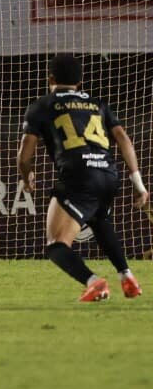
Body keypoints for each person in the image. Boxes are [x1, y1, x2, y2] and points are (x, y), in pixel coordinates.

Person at [17, 53, 147, 302]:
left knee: (56, 244)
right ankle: (127, 277)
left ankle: (94, 282)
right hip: (109, 175)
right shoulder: (98, 104)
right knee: (99, 220)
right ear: (79, 82)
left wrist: (26, 176)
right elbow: (123, 138)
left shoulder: (42, 105)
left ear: (50, 78)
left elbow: (24, 155)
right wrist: (138, 184)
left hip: (79, 177)